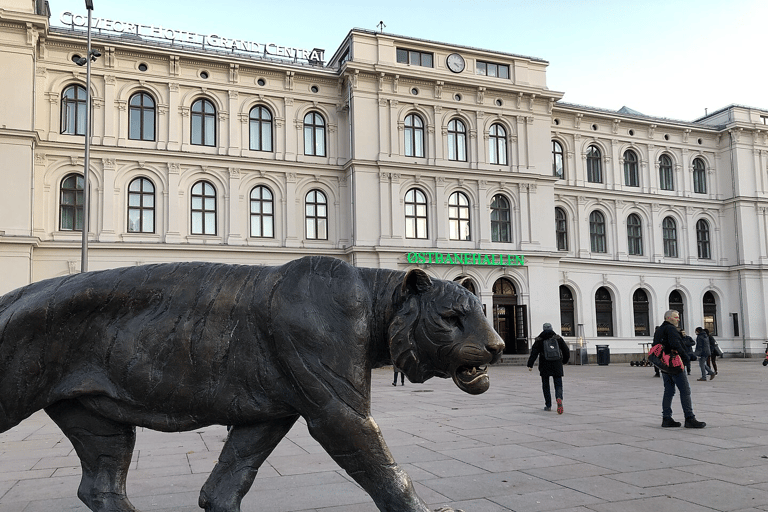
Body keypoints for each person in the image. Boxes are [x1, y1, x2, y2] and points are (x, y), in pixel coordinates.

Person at [654, 310, 706, 428]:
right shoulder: (671, 329)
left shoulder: (659, 330)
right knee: (685, 390)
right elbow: (676, 344)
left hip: (664, 364)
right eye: (675, 317)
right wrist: (686, 358)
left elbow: (656, 346)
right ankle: (689, 418)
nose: (678, 319)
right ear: (669, 318)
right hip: (674, 364)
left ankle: (666, 418)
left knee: (669, 391)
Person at [527, 323, 570, 414]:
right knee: (558, 383)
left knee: (545, 385)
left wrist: (530, 364)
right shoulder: (558, 338)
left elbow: (534, 353)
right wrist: (564, 361)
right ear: (552, 328)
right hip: (557, 363)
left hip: (544, 364)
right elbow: (566, 350)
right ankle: (559, 398)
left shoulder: (539, 339)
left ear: (543, 329)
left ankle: (548, 405)